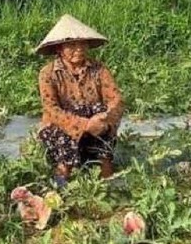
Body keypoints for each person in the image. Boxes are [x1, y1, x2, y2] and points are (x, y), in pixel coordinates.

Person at [34, 14, 124, 188]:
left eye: (82, 44)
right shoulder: (47, 73)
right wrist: (83, 125)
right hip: (61, 128)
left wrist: (104, 120)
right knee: (63, 145)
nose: (79, 49)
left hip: (96, 126)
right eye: (72, 45)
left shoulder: (99, 70)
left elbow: (116, 100)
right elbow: (51, 109)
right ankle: (60, 186)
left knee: (99, 112)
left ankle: (108, 181)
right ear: (59, 48)